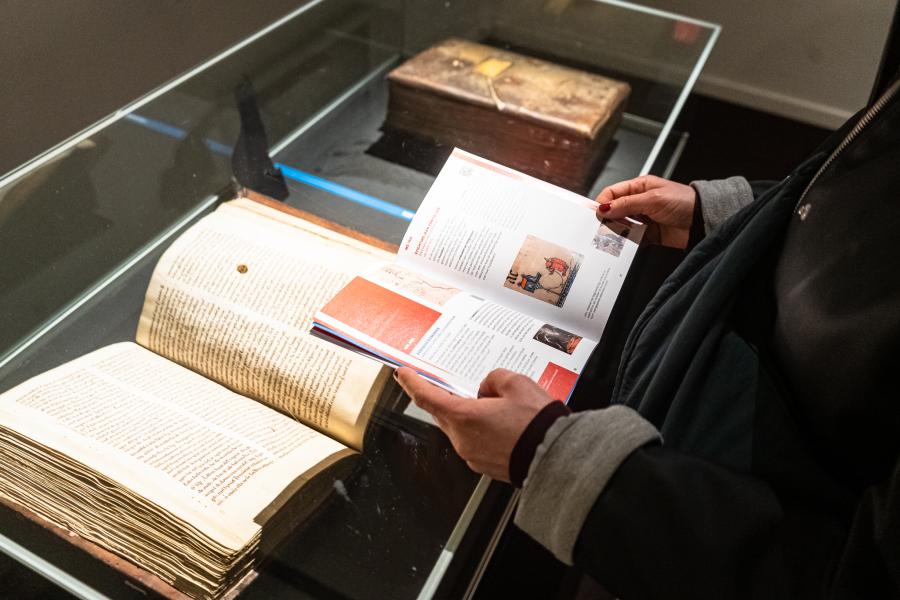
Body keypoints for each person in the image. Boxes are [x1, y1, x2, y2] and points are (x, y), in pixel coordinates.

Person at [394, 74, 900, 599]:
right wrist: (730, 215)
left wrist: (560, 463)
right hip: (695, 446)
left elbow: (856, 578)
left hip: (691, 523)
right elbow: (856, 204)